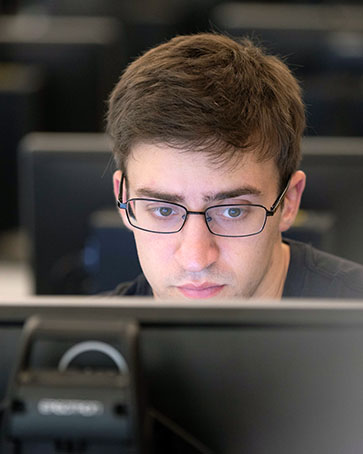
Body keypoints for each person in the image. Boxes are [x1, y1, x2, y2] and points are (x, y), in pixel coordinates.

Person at [106, 32, 363, 300]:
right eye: (162, 210)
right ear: (125, 201)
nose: (196, 260)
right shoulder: (81, 339)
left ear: (289, 201)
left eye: (232, 212)